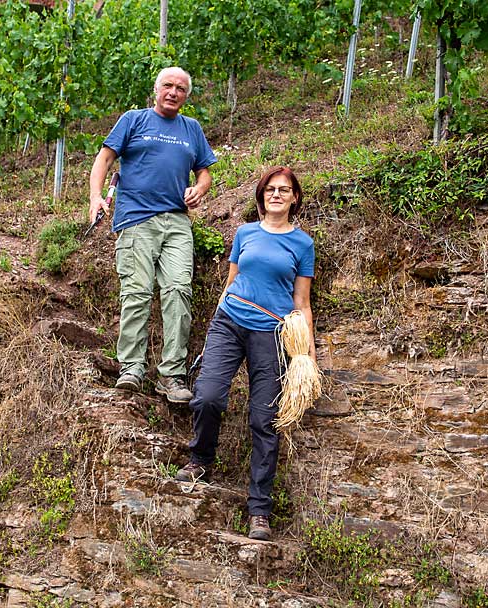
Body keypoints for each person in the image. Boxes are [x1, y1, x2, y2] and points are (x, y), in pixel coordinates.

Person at [175, 166, 315, 542]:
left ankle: (259, 511)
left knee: (264, 418)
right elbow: (231, 281)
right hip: (229, 321)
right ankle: (201, 460)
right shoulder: (245, 233)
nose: (276, 195)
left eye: (284, 190)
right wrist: (212, 329)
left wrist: (308, 357)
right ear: (261, 195)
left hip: (271, 332)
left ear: (294, 198)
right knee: (207, 396)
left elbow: (301, 302)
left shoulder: (302, 244)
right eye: (270, 189)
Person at [89, 67, 217, 404]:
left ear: (186, 96)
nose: (173, 92)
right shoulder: (134, 120)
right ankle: (131, 367)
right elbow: (104, 158)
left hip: (177, 222)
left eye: (181, 89)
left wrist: (199, 189)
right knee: (137, 291)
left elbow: (204, 172)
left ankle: (171, 376)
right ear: (156, 89)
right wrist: (95, 197)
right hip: (136, 219)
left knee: (178, 292)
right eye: (168, 86)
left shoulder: (192, 129)